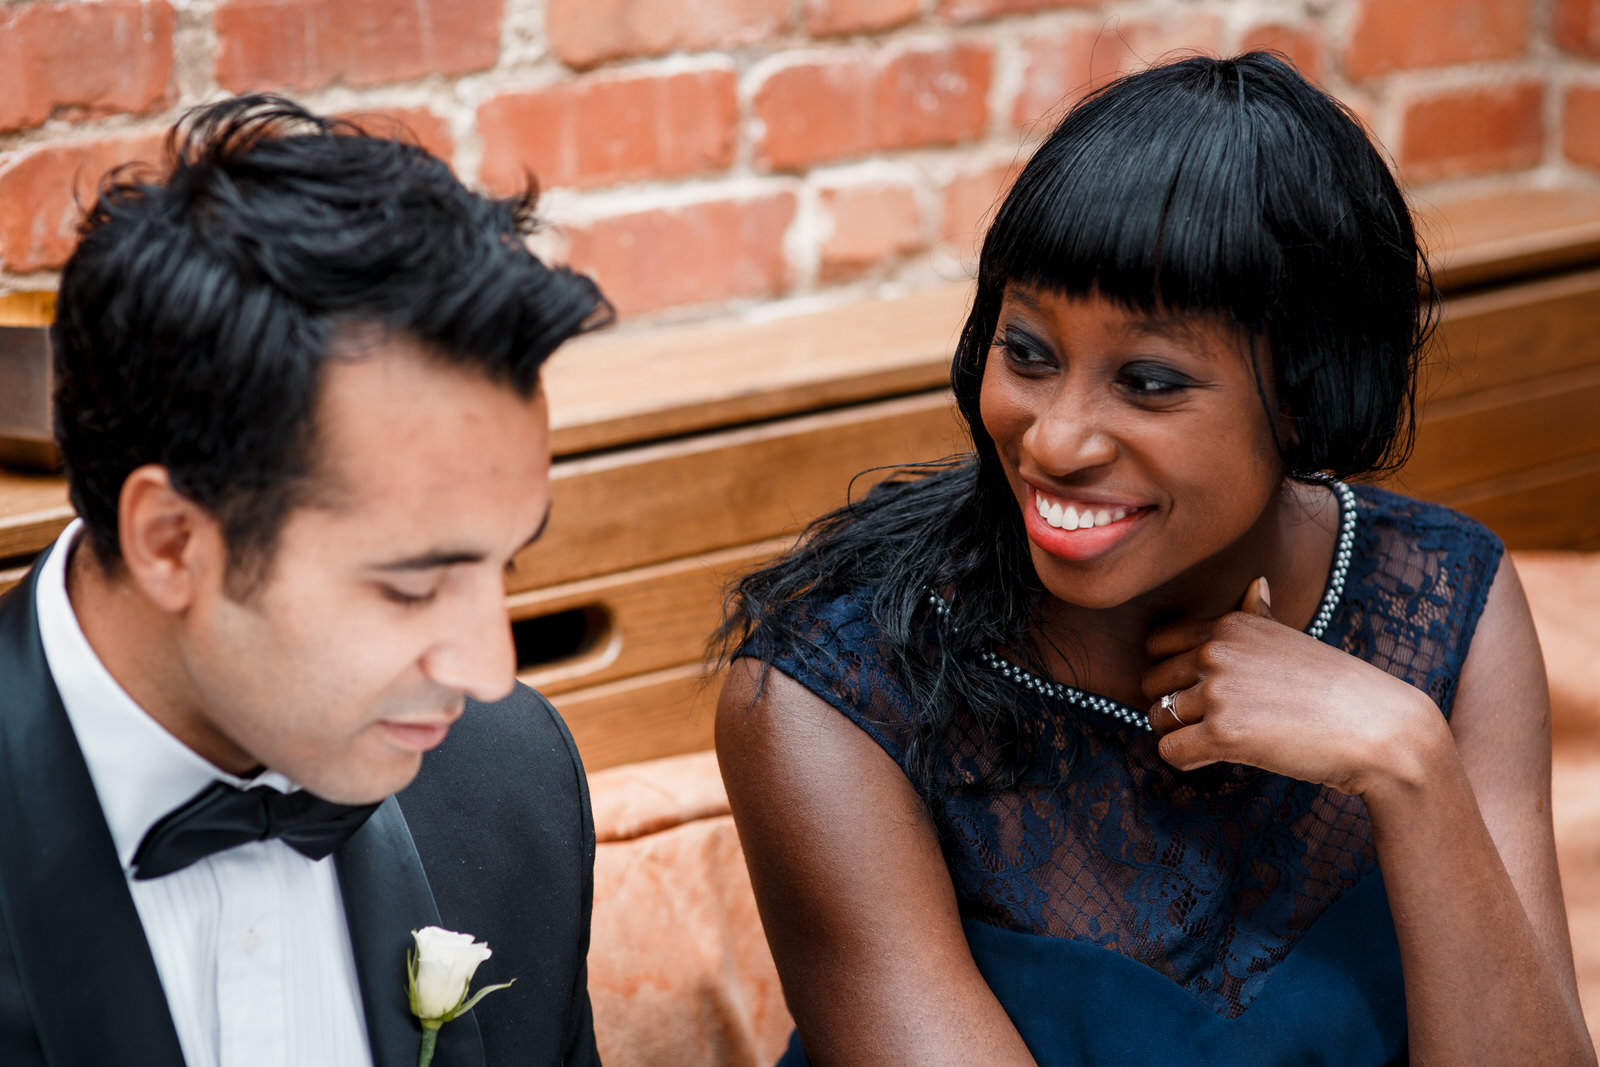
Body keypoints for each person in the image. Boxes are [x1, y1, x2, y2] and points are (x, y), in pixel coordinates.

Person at [715, 53, 1596, 1066]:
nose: (1054, 440)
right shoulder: (833, 690)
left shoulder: (1442, 603)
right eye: (1028, 352)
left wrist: (1406, 761)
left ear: (1303, 395)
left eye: (1145, 380)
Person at [0, 97, 610, 1066]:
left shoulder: (509, 779)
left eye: (505, 562)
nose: (490, 671)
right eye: (410, 588)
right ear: (169, 542)